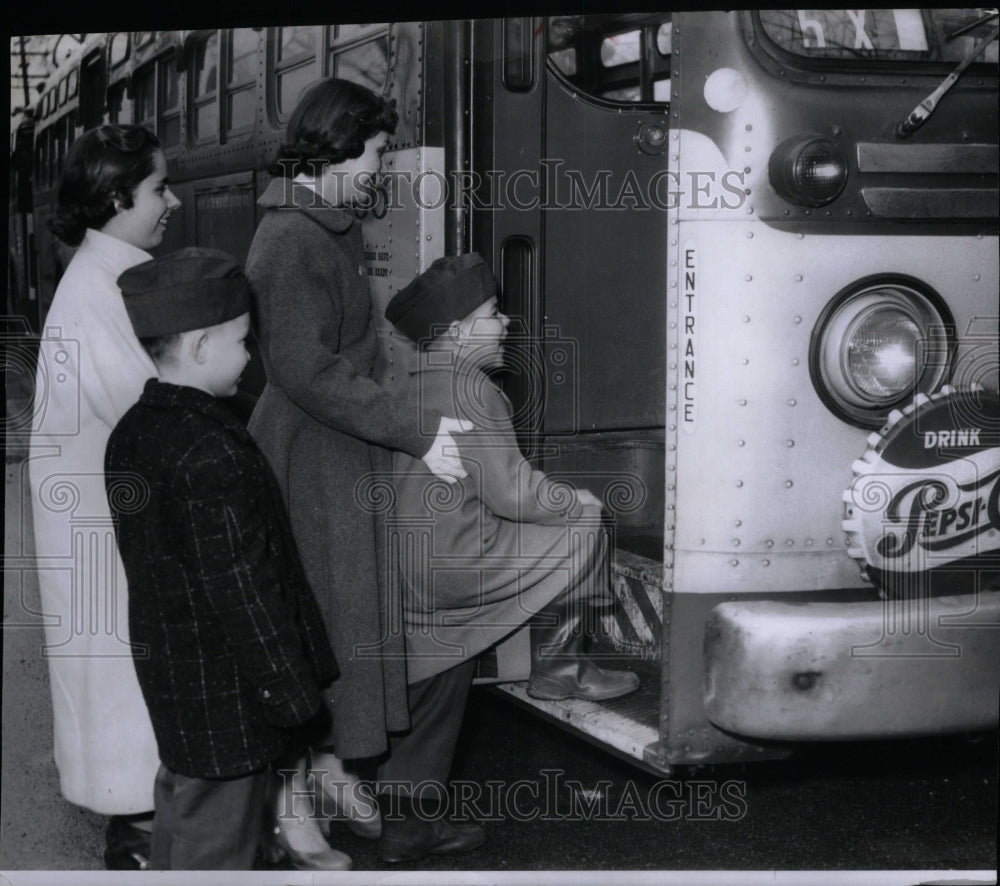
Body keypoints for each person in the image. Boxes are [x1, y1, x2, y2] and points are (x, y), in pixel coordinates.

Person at [244, 77, 472, 866]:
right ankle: (292, 813)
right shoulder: (290, 238)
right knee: (321, 630)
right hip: (313, 452)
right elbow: (305, 368)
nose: (381, 167)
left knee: (341, 624)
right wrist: (414, 427)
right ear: (337, 145)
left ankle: (331, 769)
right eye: (375, 152)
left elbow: (358, 350)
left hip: (337, 446)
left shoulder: (319, 226)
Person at [377, 252, 640, 863]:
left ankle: (405, 825)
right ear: (458, 331)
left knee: (435, 690)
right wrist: (575, 495)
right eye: (494, 313)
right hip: (460, 566)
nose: (507, 323)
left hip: (408, 569)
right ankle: (561, 667)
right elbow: (515, 495)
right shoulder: (476, 391)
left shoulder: (408, 381)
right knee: (586, 518)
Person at [103, 247, 343, 870]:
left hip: (177, 679)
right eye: (242, 341)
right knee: (218, 850)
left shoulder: (134, 431)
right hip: (230, 695)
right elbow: (243, 591)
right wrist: (293, 697)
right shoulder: (212, 450)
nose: (251, 355)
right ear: (203, 345)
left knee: (180, 818)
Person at [27, 123, 181, 869]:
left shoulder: (100, 278)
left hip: (99, 519)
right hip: (109, 529)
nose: (172, 202)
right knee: (125, 680)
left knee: (116, 679)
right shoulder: (101, 293)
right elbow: (151, 414)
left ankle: (144, 824)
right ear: (118, 196)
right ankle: (140, 839)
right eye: (159, 187)